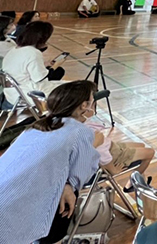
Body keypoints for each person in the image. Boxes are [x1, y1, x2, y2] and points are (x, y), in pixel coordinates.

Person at [0, 81, 100, 244]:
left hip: (6, 187)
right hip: (11, 212)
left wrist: (66, 184)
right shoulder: (80, 132)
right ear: (84, 105)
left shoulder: (36, 125)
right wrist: (69, 185)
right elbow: (81, 173)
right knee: (66, 197)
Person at [2, 22, 66, 107]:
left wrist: (44, 65)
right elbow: (39, 78)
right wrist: (55, 66)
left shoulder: (15, 49)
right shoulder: (33, 53)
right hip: (26, 94)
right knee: (71, 90)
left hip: (11, 93)